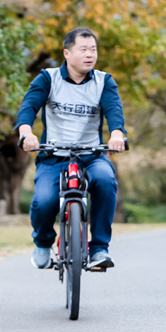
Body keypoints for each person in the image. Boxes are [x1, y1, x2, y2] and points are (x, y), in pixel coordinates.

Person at [15, 28, 127, 270]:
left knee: (106, 181)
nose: (90, 55)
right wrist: (26, 132)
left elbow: (114, 112)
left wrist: (117, 134)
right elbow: (28, 108)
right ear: (67, 53)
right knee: (43, 201)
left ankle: (98, 249)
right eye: (83, 49)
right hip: (53, 155)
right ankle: (44, 243)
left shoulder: (103, 81)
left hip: (91, 155)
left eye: (93, 50)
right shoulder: (47, 78)